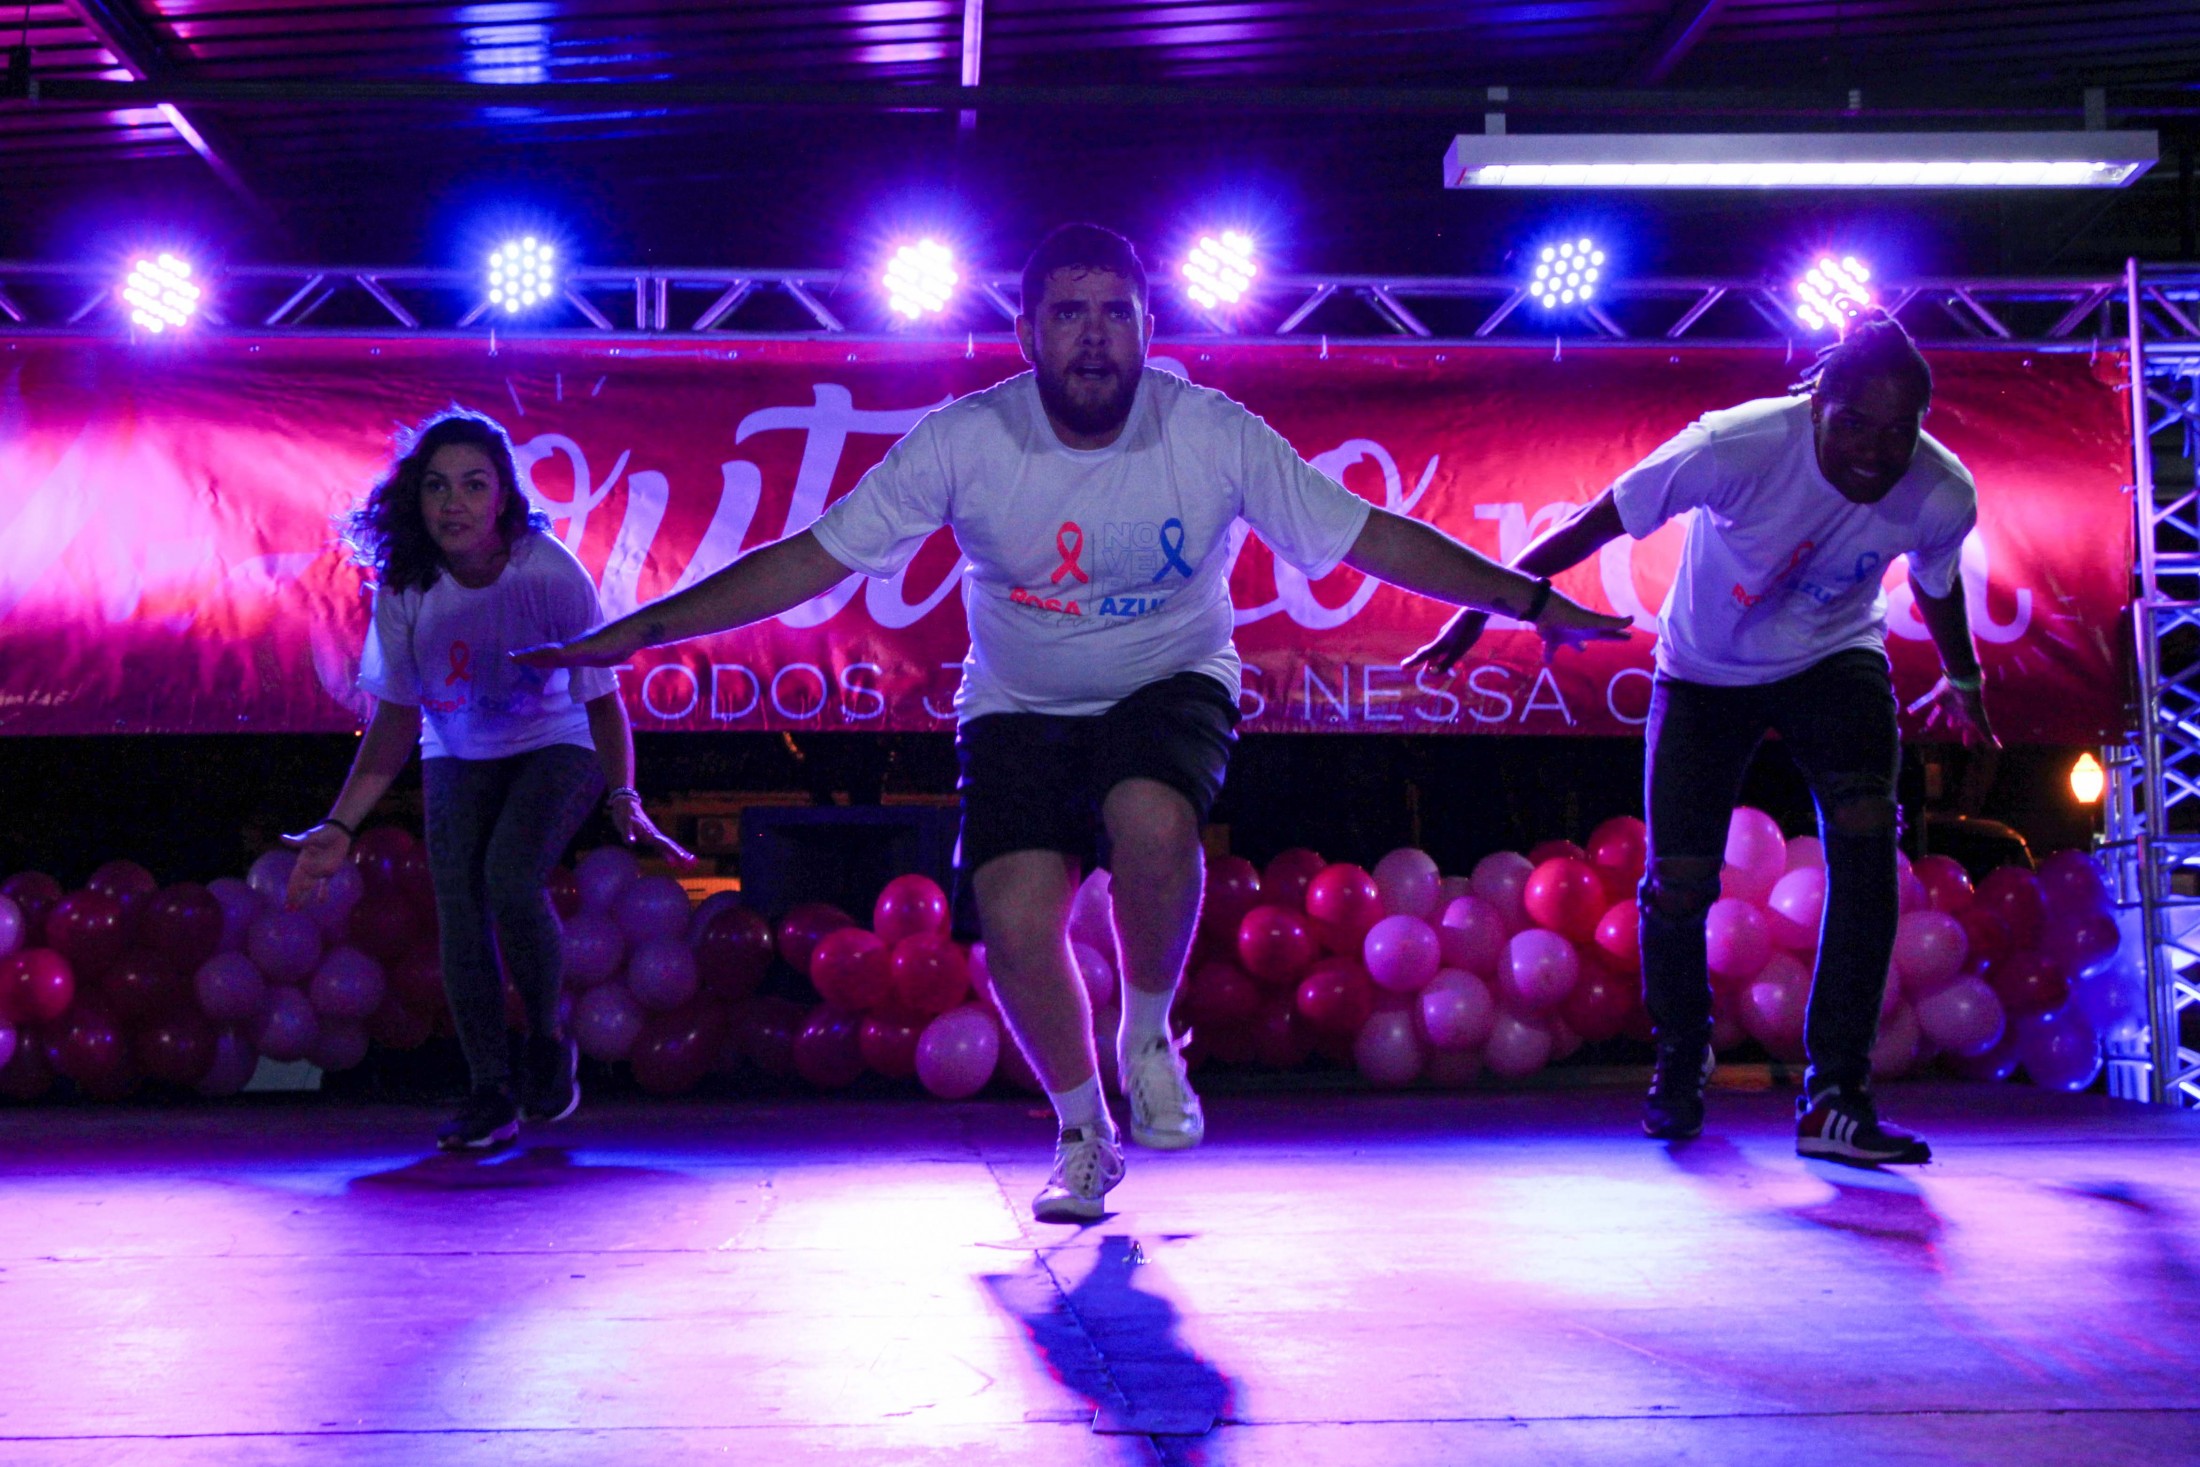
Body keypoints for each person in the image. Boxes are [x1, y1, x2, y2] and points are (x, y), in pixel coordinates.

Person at [518, 223, 1628, 1220]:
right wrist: (639, 631)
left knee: (1151, 814)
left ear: (1147, 328)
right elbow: (810, 558)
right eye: (1068, 314)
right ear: (1025, 334)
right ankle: (1083, 1133)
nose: (1094, 336)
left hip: (1170, 679)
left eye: (1115, 313)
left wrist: (1530, 601)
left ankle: (1147, 1031)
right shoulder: (967, 439)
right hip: (1017, 702)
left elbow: (1372, 536)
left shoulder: (1210, 431)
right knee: (1012, 922)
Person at [1410, 311, 1994, 1167]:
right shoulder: (1734, 446)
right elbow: (1596, 522)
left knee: (1868, 838)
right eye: (1855, 424)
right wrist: (1487, 605)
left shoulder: (1941, 492)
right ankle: (1683, 1057)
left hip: (1835, 656)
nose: (1877, 450)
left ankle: (1837, 1095)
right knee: (1679, 881)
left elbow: (1938, 586)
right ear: (1816, 405)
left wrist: (1966, 681)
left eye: (1899, 429)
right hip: (1704, 671)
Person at [285, 410, 692, 1152]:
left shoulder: (548, 573)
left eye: (474, 485)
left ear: (503, 496)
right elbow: (395, 721)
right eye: (437, 486)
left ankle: (546, 1042)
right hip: (457, 745)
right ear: (417, 498)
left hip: (557, 741)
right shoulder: (406, 586)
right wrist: (340, 825)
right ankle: (488, 1092)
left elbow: (602, 699)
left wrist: (623, 793)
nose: (454, 504)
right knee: (459, 902)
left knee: (508, 875)